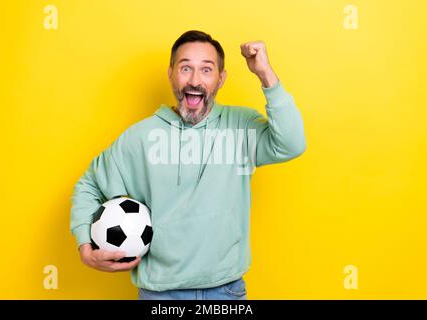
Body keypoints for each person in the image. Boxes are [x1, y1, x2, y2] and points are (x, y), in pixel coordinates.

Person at [70, 30, 306, 300]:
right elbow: (89, 185)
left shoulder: (241, 127)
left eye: (207, 70)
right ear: (171, 73)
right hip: (160, 294)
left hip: (226, 289)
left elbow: (291, 143)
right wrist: (85, 246)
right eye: (185, 68)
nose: (195, 80)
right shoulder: (140, 138)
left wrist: (266, 75)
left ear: (221, 78)